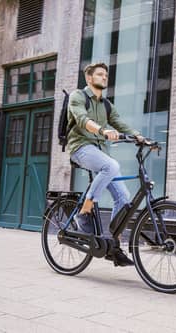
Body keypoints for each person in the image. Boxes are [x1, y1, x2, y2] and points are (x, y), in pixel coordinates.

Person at [67, 62, 142, 266]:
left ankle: (112, 243)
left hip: (100, 151)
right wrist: (102, 130)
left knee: (124, 198)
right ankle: (85, 210)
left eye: (106, 75)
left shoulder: (106, 104)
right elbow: (82, 120)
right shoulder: (78, 96)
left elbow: (119, 123)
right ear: (89, 78)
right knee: (111, 166)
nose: (104, 77)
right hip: (80, 147)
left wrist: (138, 136)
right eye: (100, 74)